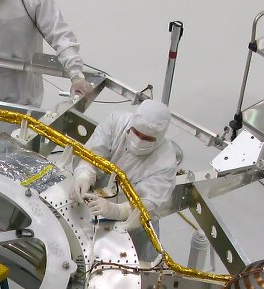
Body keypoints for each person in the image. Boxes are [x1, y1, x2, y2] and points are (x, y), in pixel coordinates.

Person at [70, 99, 181, 263]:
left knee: (124, 266)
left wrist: (117, 210)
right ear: (131, 124)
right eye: (136, 132)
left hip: (131, 228)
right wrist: (84, 175)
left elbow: (148, 203)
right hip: (92, 202)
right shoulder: (115, 122)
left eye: (147, 138)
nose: (139, 140)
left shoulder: (165, 161)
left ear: (159, 138)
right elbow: (93, 153)